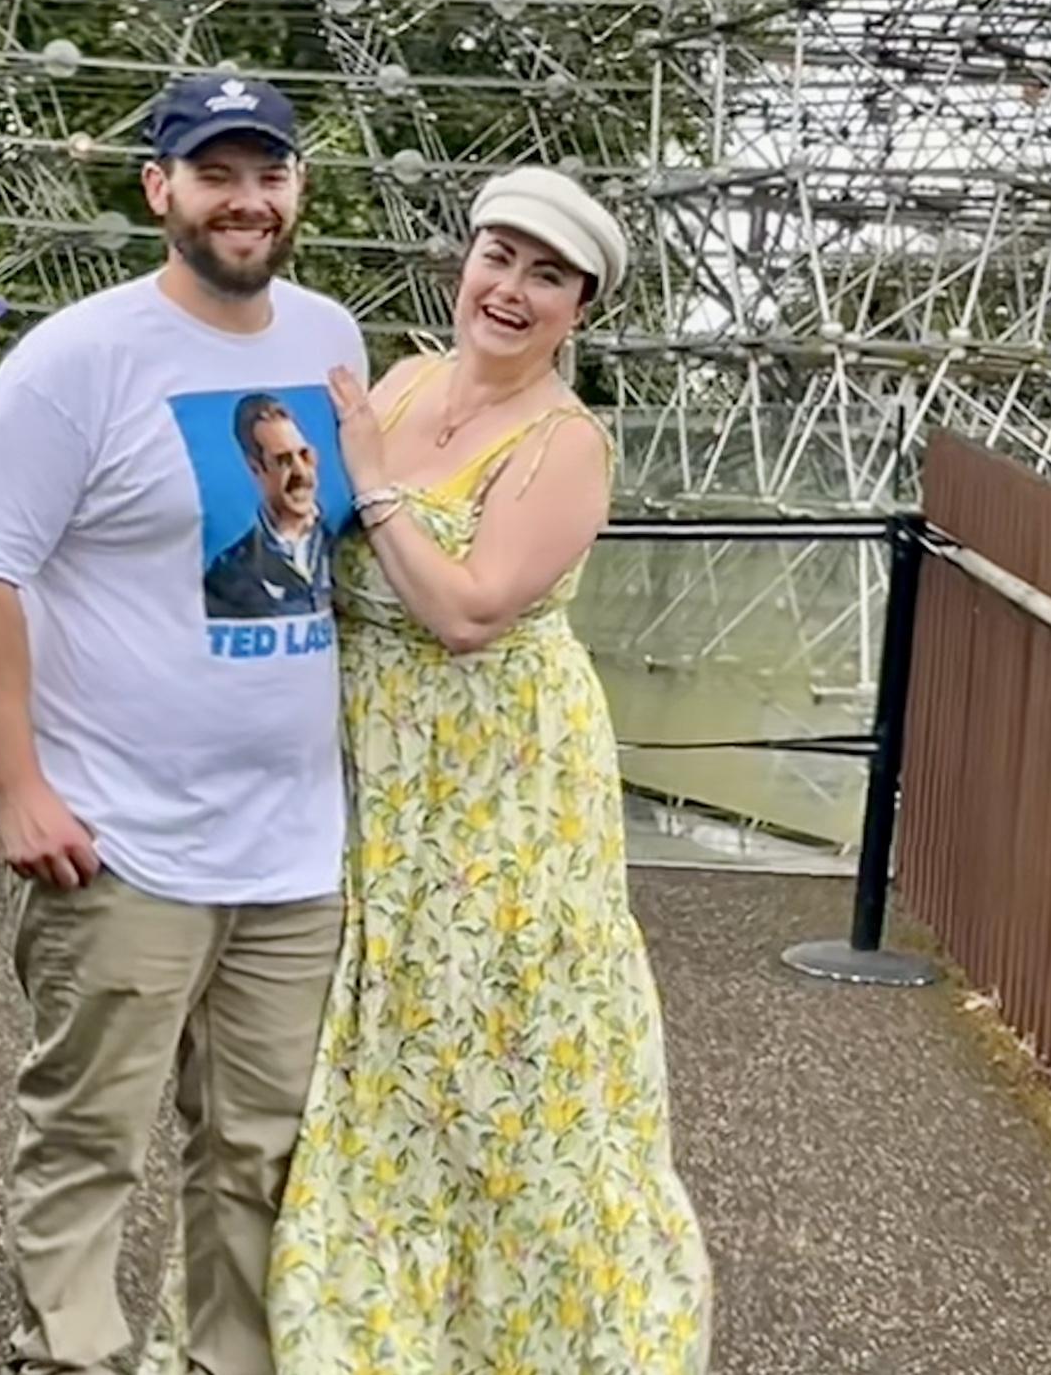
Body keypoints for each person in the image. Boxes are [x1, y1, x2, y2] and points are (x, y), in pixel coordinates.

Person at [0, 71, 367, 1375]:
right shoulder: (77, 361)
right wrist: (18, 788)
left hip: (295, 852)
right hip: (124, 840)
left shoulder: (332, 339)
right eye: (215, 174)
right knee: (90, 1134)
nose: (246, 200)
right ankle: (66, 1353)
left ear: (296, 189)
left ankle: (228, 1359)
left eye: (268, 174)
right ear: (158, 189)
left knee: (262, 1147)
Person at [265, 165, 713, 1373]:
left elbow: (467, 613)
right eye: (498, 257)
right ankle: (365, 1325)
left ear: (580, 309)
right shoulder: (406, 382)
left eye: (547, 276)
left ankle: (531, 1337)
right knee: (373, 1048)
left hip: (500, 790)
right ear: (464, 262)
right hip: (376, 768)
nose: (511, 290)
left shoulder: (566, 443)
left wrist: (372, 478)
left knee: (497, 1051)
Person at [204, 394, 333, 618]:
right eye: (283, 461)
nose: (300, 472)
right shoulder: (230, 573)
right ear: (256, 469)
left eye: (305, 455)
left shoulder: (342, 536)